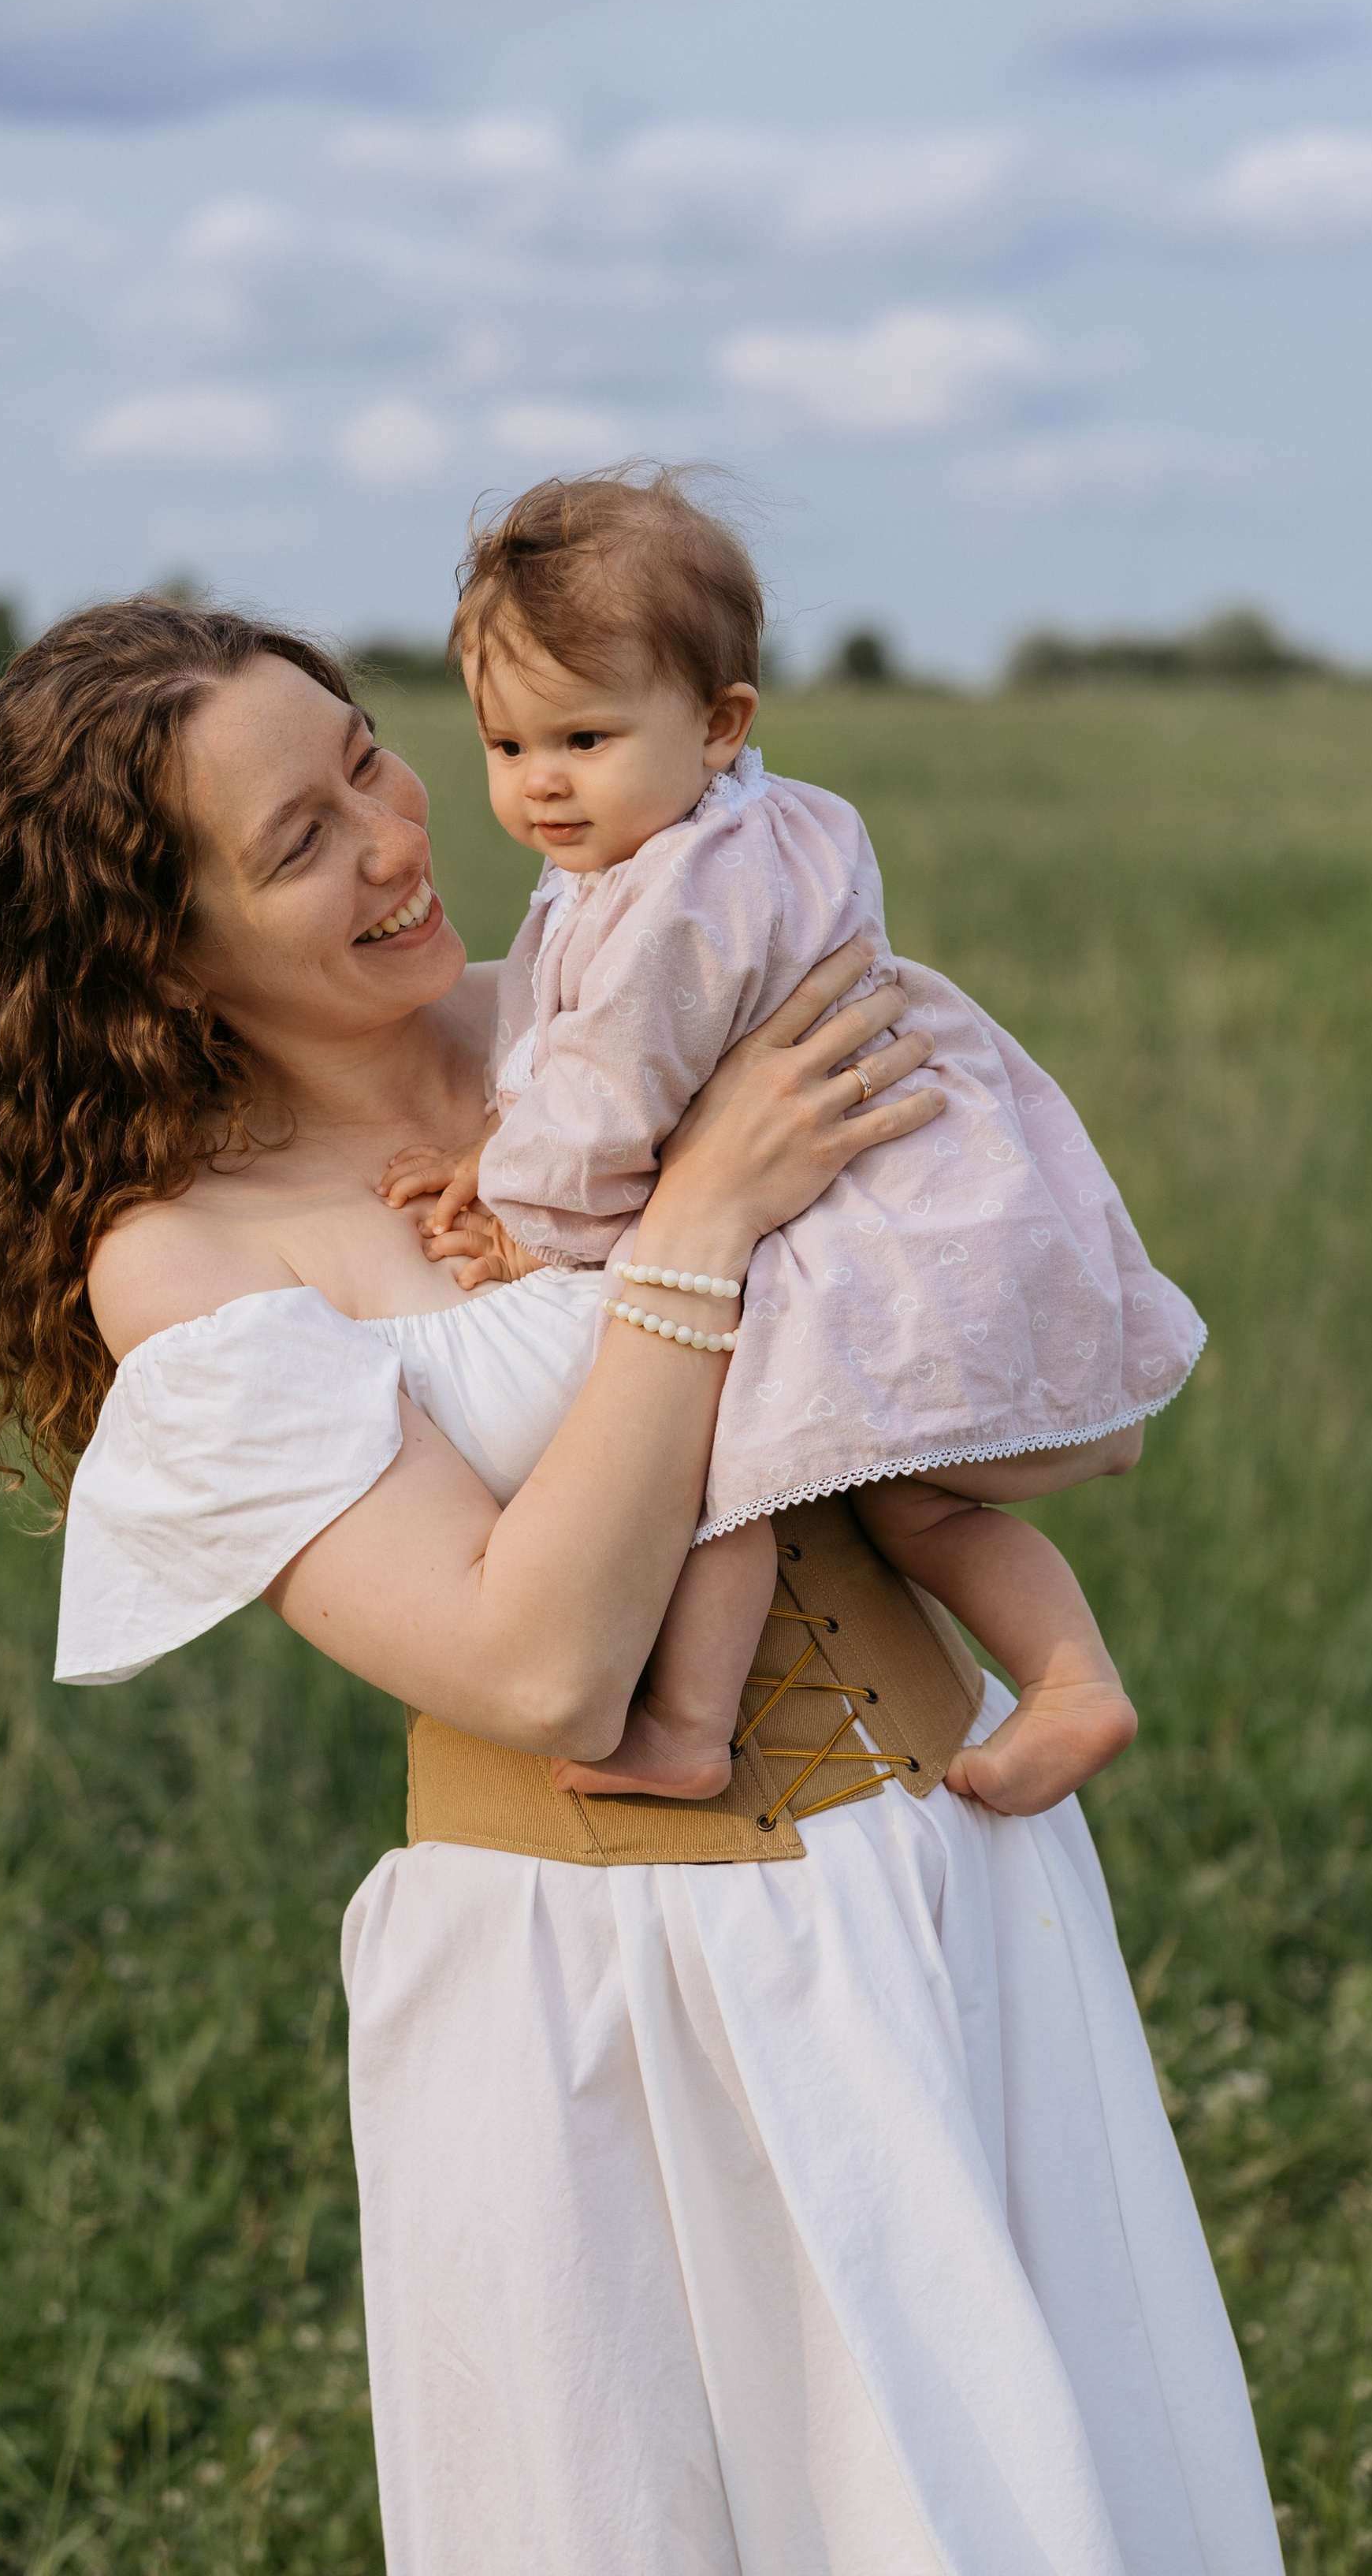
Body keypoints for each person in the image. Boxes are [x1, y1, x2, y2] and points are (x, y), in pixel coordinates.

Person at [0, 594, 1285, 2576]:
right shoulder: (189, 1263)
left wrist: (840, 1266)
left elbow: (1067, 1418)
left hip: (949, 1878)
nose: (393, 837)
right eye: (295, 842)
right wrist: (702, 1216)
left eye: (368, 753)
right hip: (618, 1989)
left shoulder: (618, 985)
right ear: (152, 951)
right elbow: (535, 1670)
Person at [381, 467, 1202, 1811]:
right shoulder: (739, 826)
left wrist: (528, 1226)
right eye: (507, 747)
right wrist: (494, 1148)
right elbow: (596, 1057)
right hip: (878, 1188)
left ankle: (691, 1728)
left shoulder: (680, 894)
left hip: (849, 1217)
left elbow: (617, 1092)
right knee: (913, 1505)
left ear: (717, 723)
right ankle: (1073, 1677)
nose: (540, 786)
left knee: (721, 1471)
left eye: (583, 740)